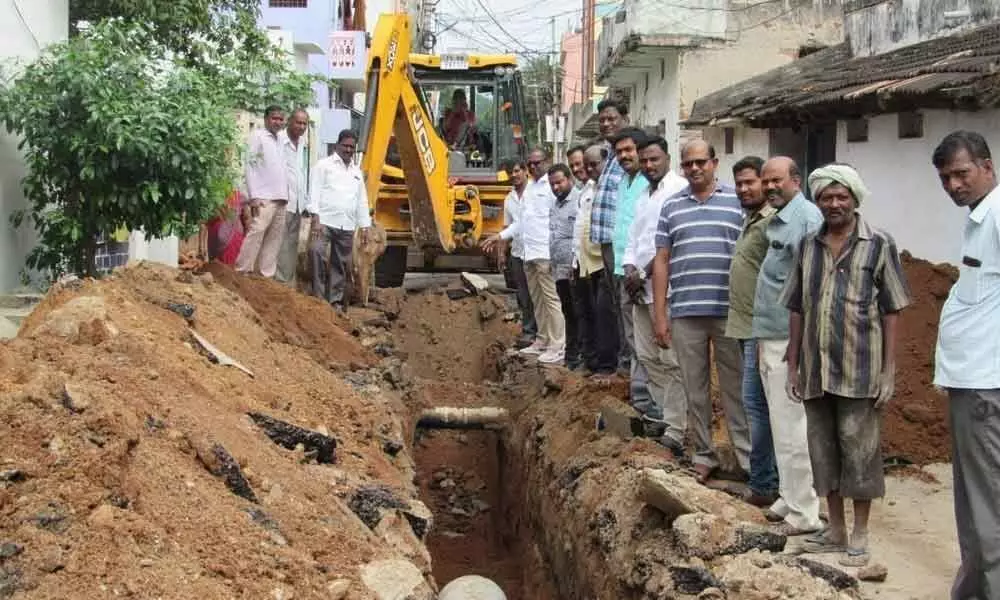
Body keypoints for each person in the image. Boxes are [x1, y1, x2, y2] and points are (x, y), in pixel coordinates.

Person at [783, 163, 910, 566]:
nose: (834, 203)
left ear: (855, 199)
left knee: (860, 453)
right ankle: (835, 530)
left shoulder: (878, 244)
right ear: (817, 201)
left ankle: (860, 532)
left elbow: (892, 308)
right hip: (816, 369)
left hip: (861, 369)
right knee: (823, 452)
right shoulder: (808, 245)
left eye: (842, 196)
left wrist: (889, 370)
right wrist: (793, 364)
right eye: (826, 196)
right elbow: (797, 306)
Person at [651, 140, 750, 482]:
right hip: (686, 312)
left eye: (700, 162)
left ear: (714, 163)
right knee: (695, 389)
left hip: (729, 313)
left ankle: (747, 460)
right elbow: (662, 261)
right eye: (688, 163)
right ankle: (704, 455)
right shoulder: (671, 207)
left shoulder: (737, 202)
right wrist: (660, 315)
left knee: (735, 388)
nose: (694, 169)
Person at [930, 131, 1000, 599]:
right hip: (973, 381)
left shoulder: (996, 216)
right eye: (945, 177)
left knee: (988, 502)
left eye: (962, 173)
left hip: (985, 383)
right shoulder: (982, 218)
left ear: (988, 166)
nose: (954, 184)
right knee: (975, 500)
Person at [751, 157, 824, 537]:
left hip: (788, 340)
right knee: (781, 423)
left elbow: (810, 290)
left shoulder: (806, 220)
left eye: (775, 180)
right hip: (771, 335)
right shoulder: (782, 218)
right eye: (765, 181)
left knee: (793, 426)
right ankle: (788, 495)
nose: (769, 187)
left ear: (795, 180)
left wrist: (798, 351)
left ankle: (804, 512)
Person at [622, 136, 689, 453]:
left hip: (668, 291)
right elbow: (634, 238)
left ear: (667, 158)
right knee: (647, 356)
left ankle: (677, 429)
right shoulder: (643, 196)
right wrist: (629, 269)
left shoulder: (677, 192)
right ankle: (667, 416)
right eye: (644, 160)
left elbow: (671, 244)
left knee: (671, 358)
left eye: (654, 160)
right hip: (640, 290)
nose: (649, 165)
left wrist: (644, 273)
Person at [723, 156, 778, 503]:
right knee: (756, 407)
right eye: (740, 183)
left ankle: (764, 485)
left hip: (763, 329)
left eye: (751, 182)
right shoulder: (751, 221)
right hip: (746, 326)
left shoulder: (772, 224)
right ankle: (765, 482)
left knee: (760, 408)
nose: (744, 189)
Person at [485, 148, 565, 364]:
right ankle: (542, 340)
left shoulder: (552, 188)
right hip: (528, 254)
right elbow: (521, 222)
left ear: (547, 161)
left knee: (551, 300)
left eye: (537, 163)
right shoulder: (530, 190)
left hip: (545, 253)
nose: (533, 167)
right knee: (537, 300)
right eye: (530, 163)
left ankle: (558, 345)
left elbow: (561, 219)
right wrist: (500, 236)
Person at [588, 99, 638, 379]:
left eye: (611, 118)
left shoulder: (629, 157)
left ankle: (628, 366)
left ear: (625, 118)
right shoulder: (609, 155)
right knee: (616, 307)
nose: (606, 123)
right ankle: (623, 363)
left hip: (622, 245)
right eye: (602, 119)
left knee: (624, 306)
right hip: (608, 243)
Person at [307, 129, 371, 311]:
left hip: (347, 225)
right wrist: (316, 218)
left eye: (352, 147)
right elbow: (314, 191)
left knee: (341, 264)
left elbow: (361, 200)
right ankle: (318, 298)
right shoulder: (324, 166)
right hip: (325, 222)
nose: (349, 150)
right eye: (345, 146)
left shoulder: (356, 172)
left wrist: (365, 226)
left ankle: (334, 302)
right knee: (316, 251)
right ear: (337, 145)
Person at [573, 144, 619, 376]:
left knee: (606, 315)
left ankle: (608, 365)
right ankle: (594, 361)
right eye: (586, 164)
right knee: (591, 314)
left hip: (605, 262)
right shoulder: (589, 188)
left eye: (594, 164)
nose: (589, 169)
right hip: (587, 263)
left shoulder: (612, 186)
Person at [236, 105, 289, 278]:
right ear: (266, 119)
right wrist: (254, 196)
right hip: (263, 197)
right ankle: (242, 269)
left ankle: (266, 274)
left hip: (281, 197)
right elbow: (250, 166)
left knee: (275, 238)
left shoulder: (281, 139)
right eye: (274, 118)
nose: (278, 122)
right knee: (257, 231)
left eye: (281, 119)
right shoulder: (257, 136)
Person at [548, 164, 581, 369]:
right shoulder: (555, 205)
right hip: (559, 268)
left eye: (559, 182)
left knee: (578, 313)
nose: (556, 187)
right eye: (552, 184)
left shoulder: (578, 201)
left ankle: (578, 357)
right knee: (567, 312)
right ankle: (570, 356)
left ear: (570, 179)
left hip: (574, 268)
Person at [501, 159, 537, 349]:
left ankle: (542, 334)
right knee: (523, 295)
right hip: (517, 252)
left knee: (538, 295)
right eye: (510, 172)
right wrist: (502, 253)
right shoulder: (509, 199)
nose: (514, 175)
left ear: (525, 171)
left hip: (535, 252)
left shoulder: (535, 192)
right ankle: (529, 331)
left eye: (516, 171)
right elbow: (508, 227)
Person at [275, 109, 310, 286]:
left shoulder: (303, 143)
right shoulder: (279, 140)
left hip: (297, 205)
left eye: (304, 123)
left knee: (291, 246)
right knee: (279, 245)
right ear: (289, 121)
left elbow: (300, 174)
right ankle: (278, 283)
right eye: (298, 122)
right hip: (282, 202)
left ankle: (287, 284)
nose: (301, 126)